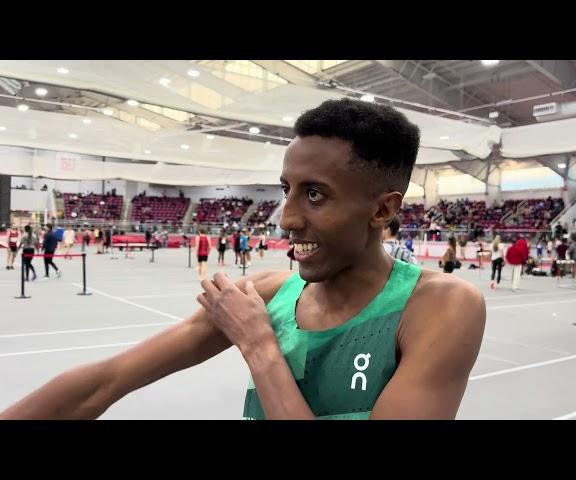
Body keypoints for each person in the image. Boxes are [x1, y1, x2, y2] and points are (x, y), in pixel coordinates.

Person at [0, 98, 485, 420]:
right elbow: (108, 380)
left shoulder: (440, 307)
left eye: (315, 195)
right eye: (286, 190)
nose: (287, 218)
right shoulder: (269, 294)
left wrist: (259, 345)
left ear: (382, 210)